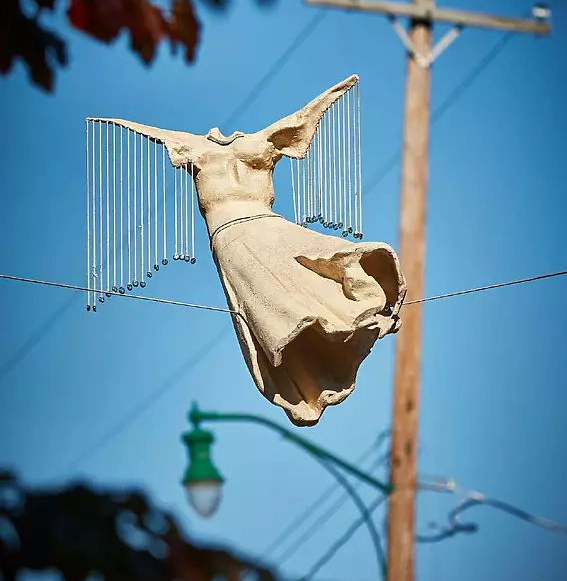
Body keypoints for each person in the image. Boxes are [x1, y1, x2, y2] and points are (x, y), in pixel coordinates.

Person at [102, 75, 406, 426]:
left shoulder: (260, 141)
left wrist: (334, 92)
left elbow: (302, 119)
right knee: (274, 306)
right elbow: (148, 130)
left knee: (323, 260)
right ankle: (312, 361)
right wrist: (116, 123)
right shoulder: (191, 146)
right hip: (230, 238)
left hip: (268, 224)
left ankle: (365, 306)